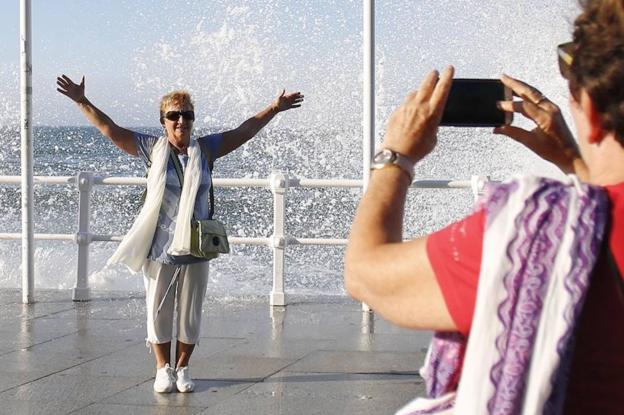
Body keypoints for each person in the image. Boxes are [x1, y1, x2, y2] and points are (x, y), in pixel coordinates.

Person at [344, 0, 624, 413]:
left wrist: (395, 157)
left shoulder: (534, 240)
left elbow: (367, 275)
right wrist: (577, 164)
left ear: (595, 115)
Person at [57, 75, 303, 393]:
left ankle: (183, 367)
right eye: (173, 115)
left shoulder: (207, 149)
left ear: (193, 119)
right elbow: (111, 130)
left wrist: (274, 108)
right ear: (163, 121)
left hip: (197, 246)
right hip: (160, 247)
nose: (181, 120)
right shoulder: (152, 149)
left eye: (186, 114)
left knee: (190, 311)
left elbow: (244, 131)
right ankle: (163, 368)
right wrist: (81, 100)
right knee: (158, 309)